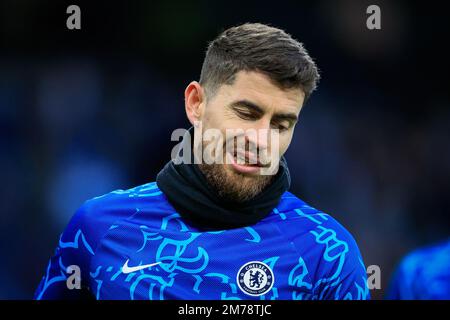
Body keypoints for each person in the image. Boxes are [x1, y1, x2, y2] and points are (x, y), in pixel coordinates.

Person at [35, 23, 369, 300]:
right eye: (246, 113)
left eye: (281, 124)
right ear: (196, 103)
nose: (261, 140)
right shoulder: (99, 227)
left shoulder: (326, 253)